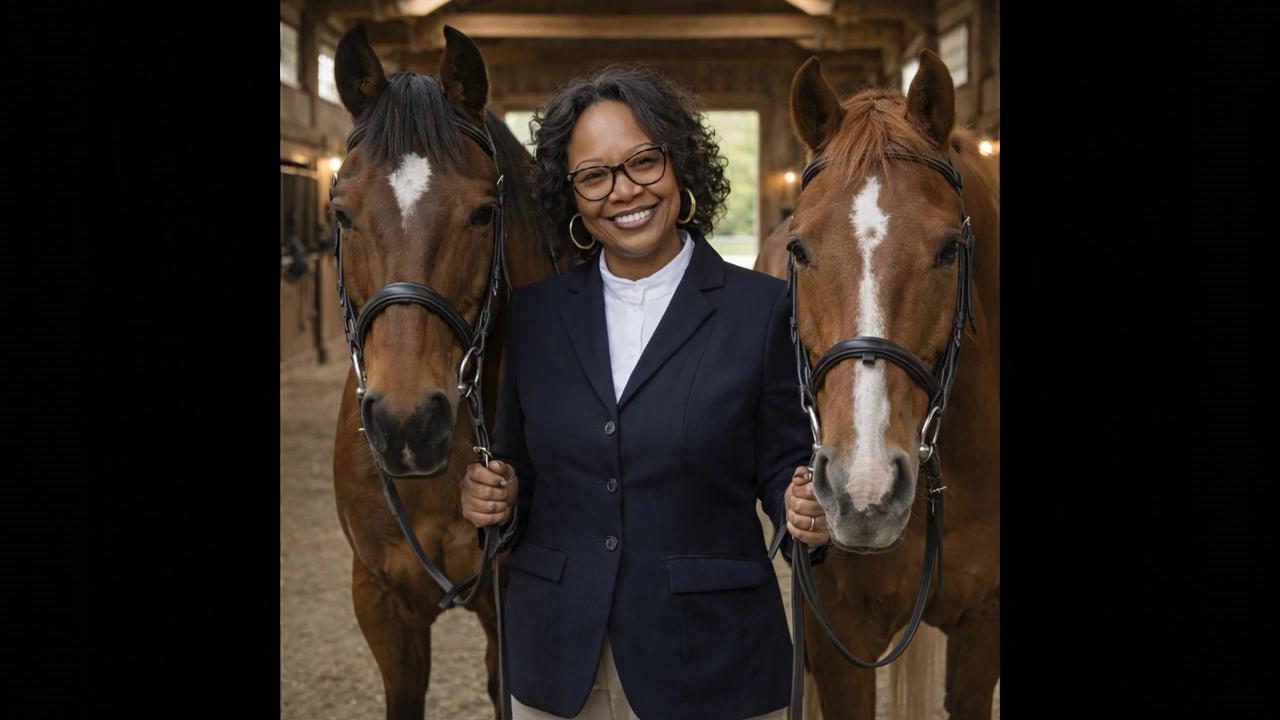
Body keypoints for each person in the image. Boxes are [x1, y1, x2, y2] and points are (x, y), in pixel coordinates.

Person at [460, 65, 831, 720]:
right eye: (594, 176)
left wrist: (803, 503)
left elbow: (783, 463)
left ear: (678, 164)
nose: (623, 191)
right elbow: (518, 466)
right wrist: (498, 493)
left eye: (642, 163)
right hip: (557, 657)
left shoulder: (764, 309)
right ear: (569, 195)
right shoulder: (534, 315)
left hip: (714, 657)